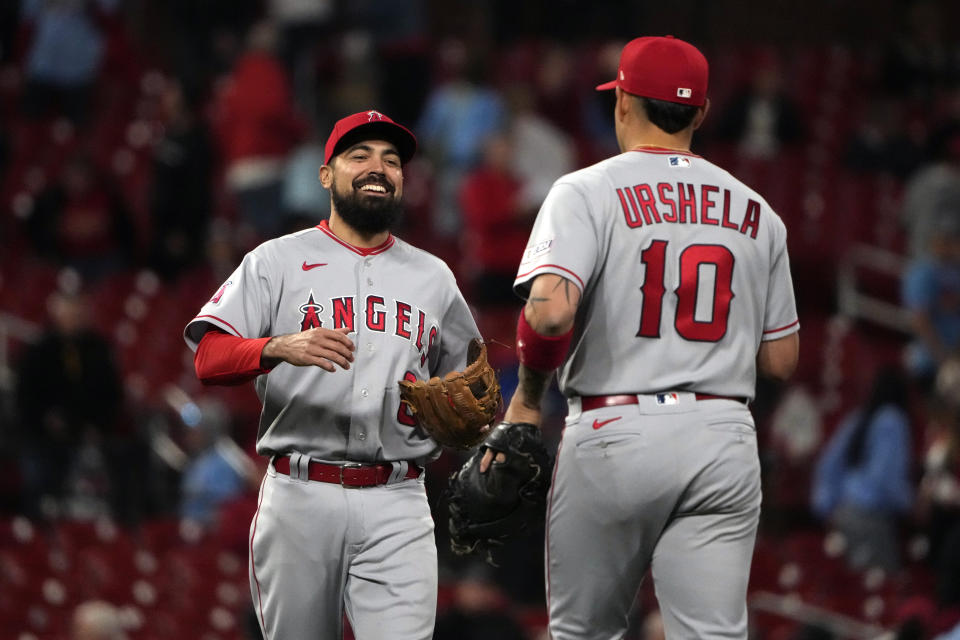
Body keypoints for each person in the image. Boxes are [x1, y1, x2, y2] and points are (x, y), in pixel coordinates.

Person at [483, 36, 800, 639]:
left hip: (614, 426)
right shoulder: (760, 213)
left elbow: (549, 315)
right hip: (723, 434)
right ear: (701, 114)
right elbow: (781, 360)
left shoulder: (585, 191)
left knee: (583, 633)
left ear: (623, 101)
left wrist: (525, 402)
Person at [183, 109, 484, 639]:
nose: (378, 167)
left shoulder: (434, 277)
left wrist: (469, 423)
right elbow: (208, 357)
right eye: (360, 155)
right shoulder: (275, 261)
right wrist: (277, 346)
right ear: (326, 175)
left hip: (399, 498)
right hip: (301, 493)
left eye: (391, 160)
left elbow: (471, 385)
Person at [810, 367, 914, 572]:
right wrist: (910, 502)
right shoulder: (892, 420)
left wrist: (827, 508)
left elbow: (828, 466)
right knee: (880, 584)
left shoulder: (858, 418)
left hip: (844, 514)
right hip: (870, 519)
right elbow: (886, 479)